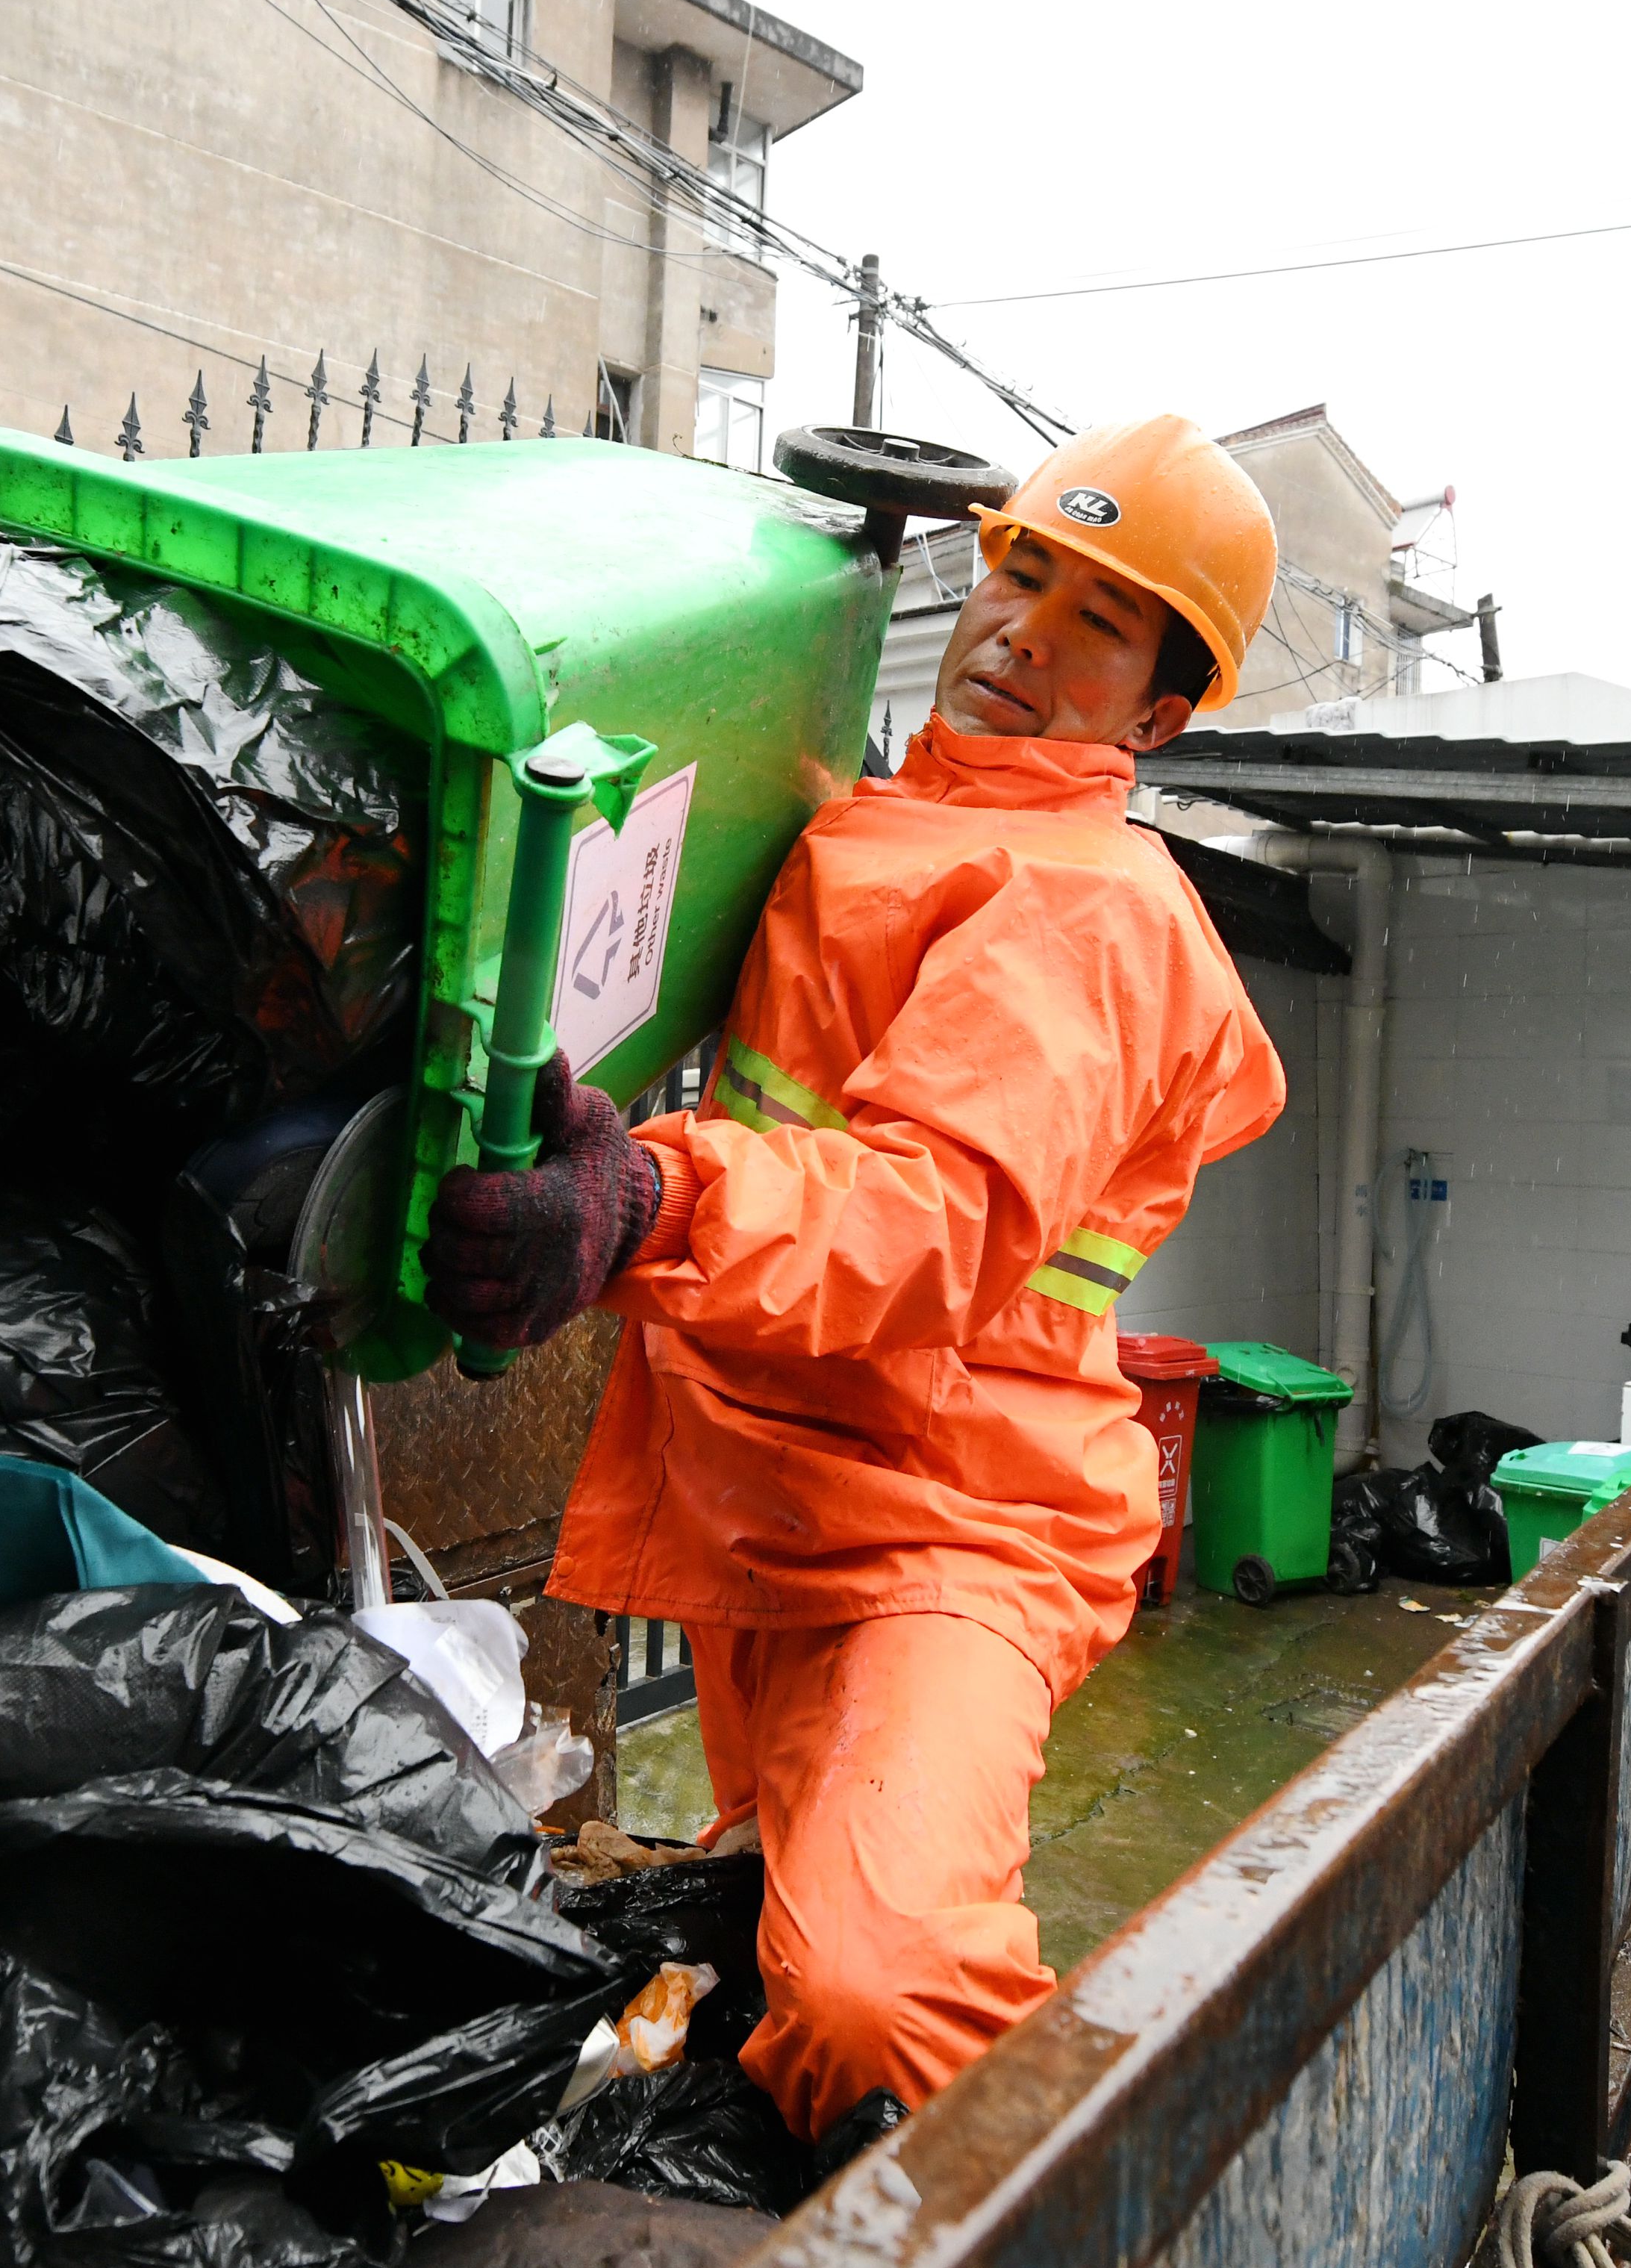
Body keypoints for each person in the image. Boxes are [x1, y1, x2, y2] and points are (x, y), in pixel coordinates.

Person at [422, 417, 1291, 2156]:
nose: (1023, 631)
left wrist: (644, 1191)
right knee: (766, 1928)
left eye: (1096, 621)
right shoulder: (878, 822)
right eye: (1022, 570)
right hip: (781, 1496)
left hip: (940, 1538)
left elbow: (918, 1216)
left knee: (878, 1991)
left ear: (1154, 716)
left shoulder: (1084, 910)